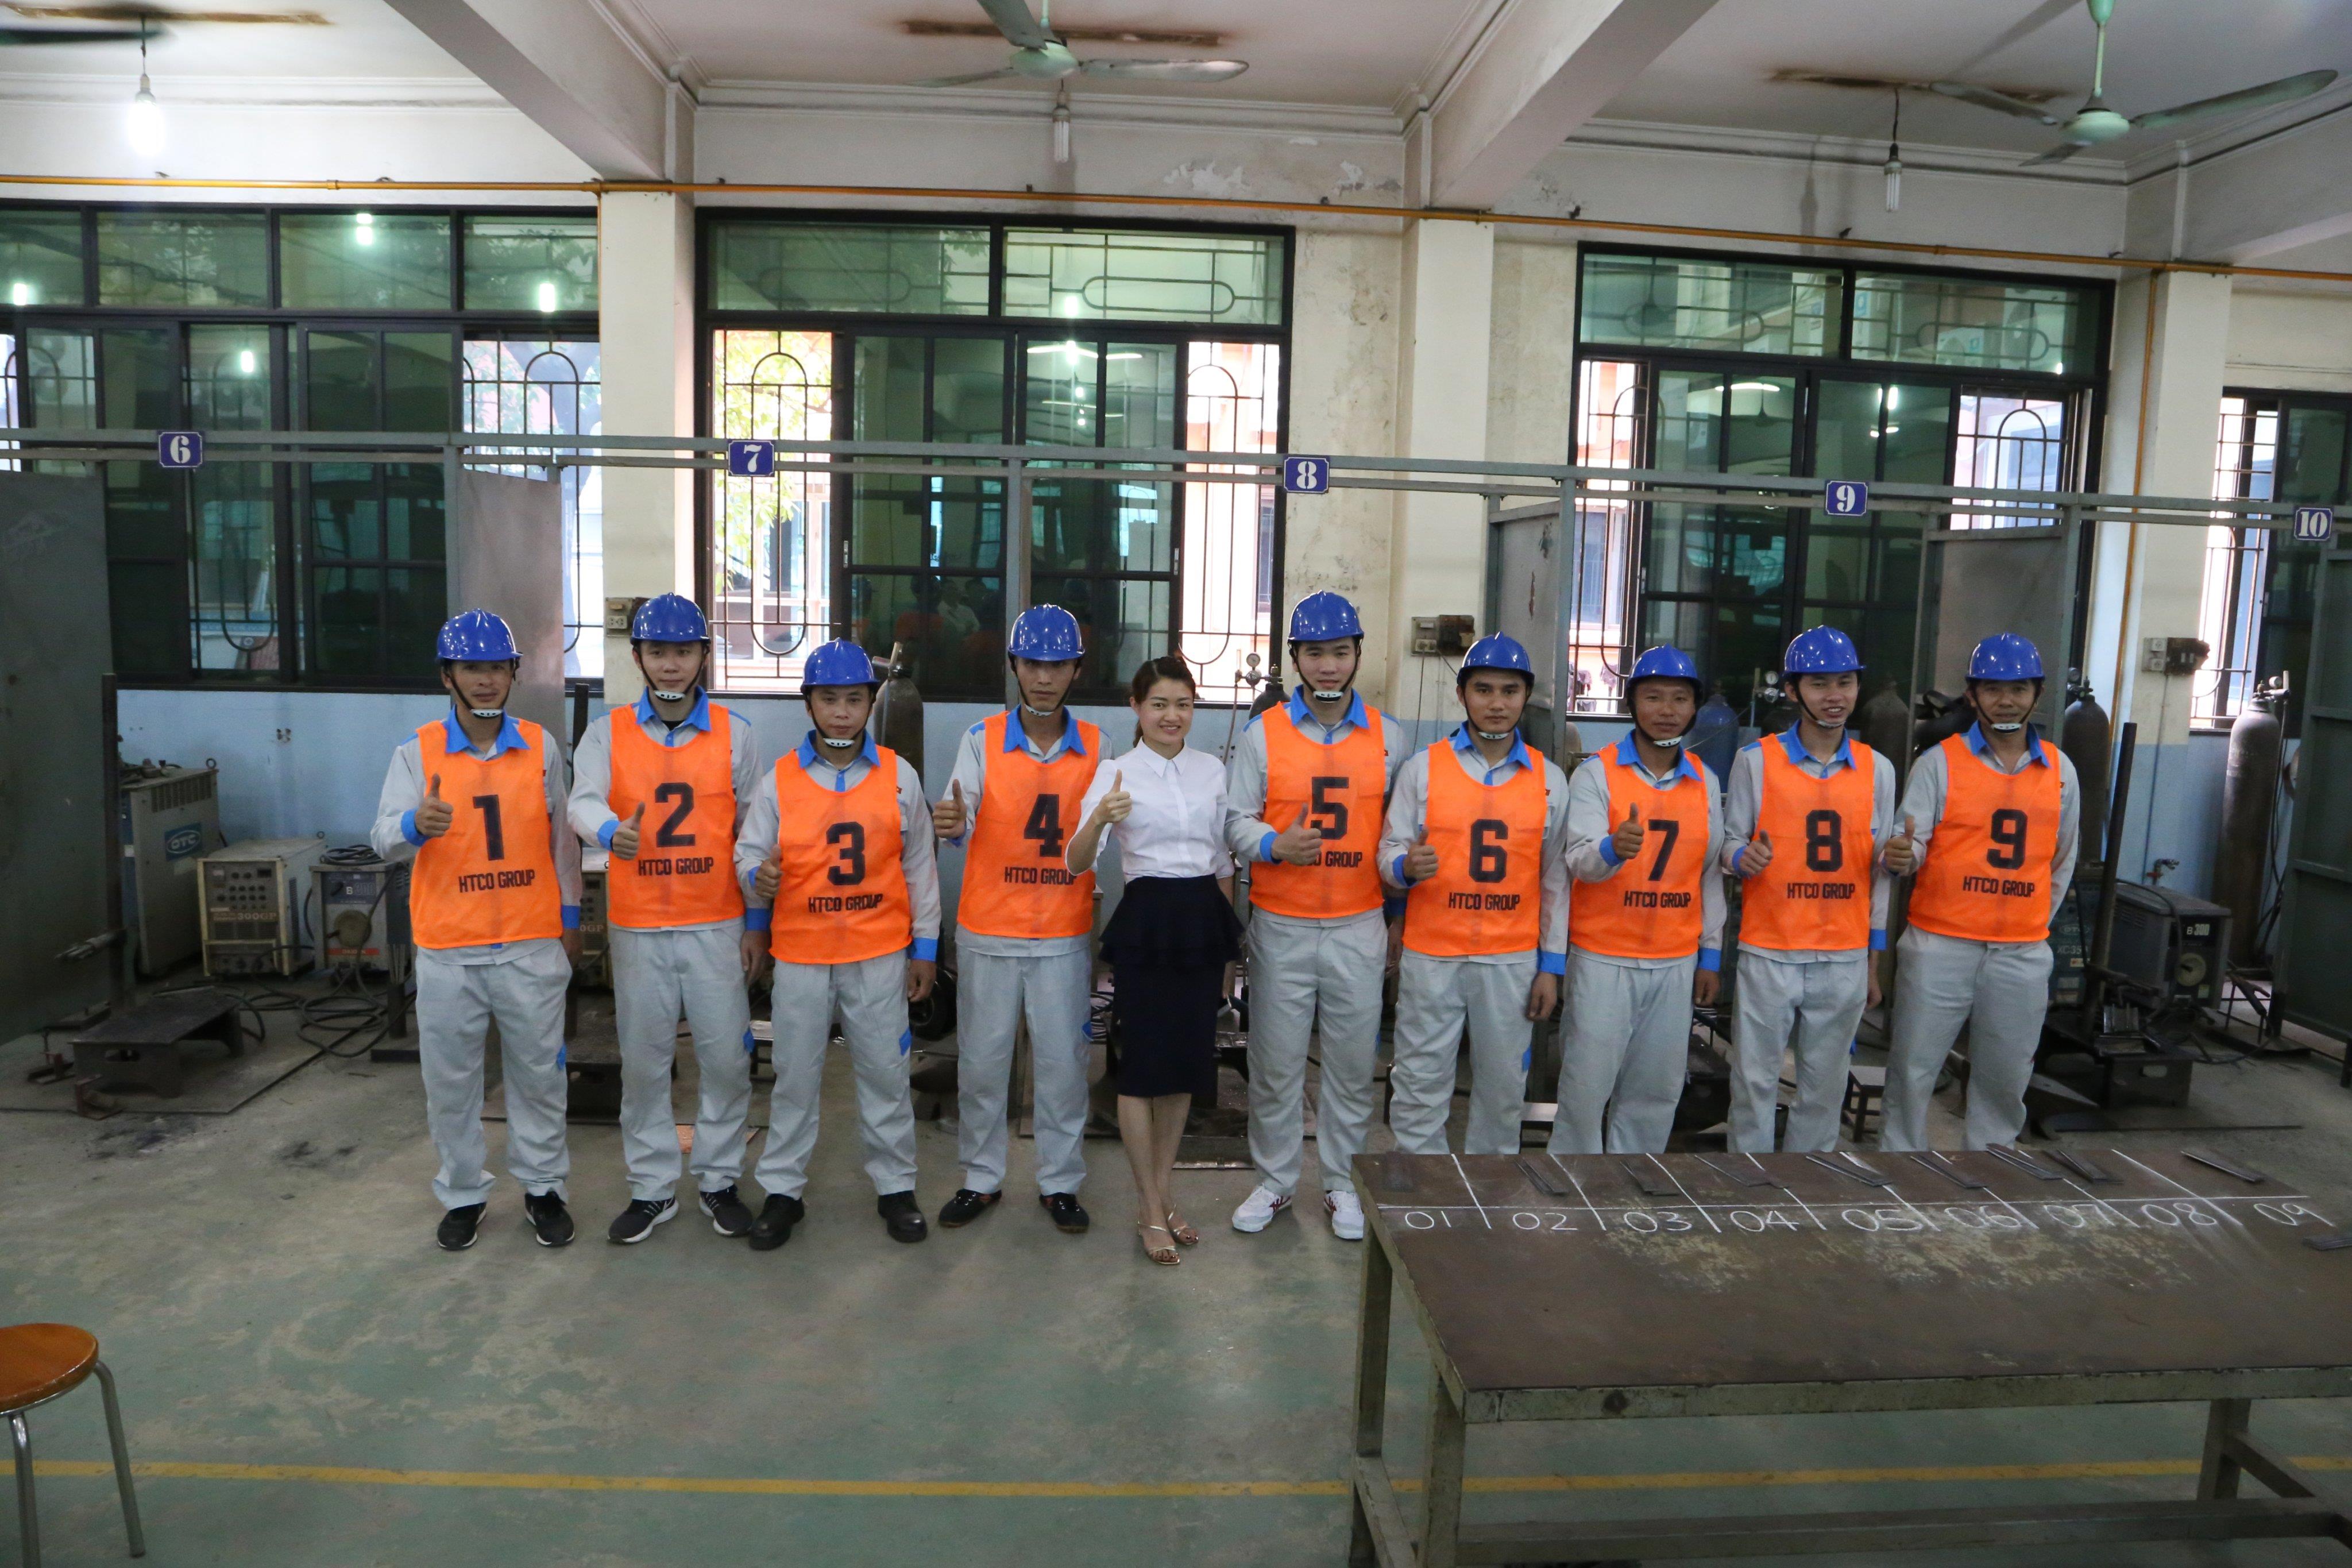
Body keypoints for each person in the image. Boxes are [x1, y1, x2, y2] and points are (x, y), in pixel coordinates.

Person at [370, 610, 582, 1252]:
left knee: (539, 1078)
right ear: (448, 676)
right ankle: (464, 1194)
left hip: (529, 945)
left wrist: (572, 921)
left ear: (513, 674)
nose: (486, 680)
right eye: (471, 668)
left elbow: (562, 844)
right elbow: (381, 838)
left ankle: (544, 1188)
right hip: (449, 950)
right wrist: (414, 825)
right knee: (451, 1085)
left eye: (496, 668)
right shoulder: (416, 753)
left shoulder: (541, 748)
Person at [567, 593, 760, 1245]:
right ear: (638, 658)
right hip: (639, 925)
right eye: (658, 652)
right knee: (645, 1063)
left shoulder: (737, 733)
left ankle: (718, 1180)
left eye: (683, 652)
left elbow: (755, 833)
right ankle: (652, 1188)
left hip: (716, 923)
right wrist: (607, 832)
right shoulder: (608, 732)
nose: (671, 664)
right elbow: (581, 801)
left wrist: (756, 922)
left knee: (726, 1060)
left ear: (703, 656)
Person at [734, 639, 941, 1250]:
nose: (843, 712)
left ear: (871, 703)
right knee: (795, 1078)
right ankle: (783, 1191)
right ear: (809, 704)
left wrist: (926, 950)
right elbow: (748, 854)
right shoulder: (780, 780)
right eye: (829, 699)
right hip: (801, 956)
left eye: (854, 699)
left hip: (878, 955)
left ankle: (896, 1187)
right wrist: (757, 878)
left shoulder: (899, 776)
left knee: (885, 1075)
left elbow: (920, 868)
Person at [1223, 592, 1407, 1242]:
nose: (1328, 666)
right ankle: (1275, 1181)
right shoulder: (1263, 734)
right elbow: (1235, 821)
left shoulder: (1390, 738)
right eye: (1315, 654)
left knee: (1352, 1065)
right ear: (1295, 659)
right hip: (1282, 925)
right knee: (1276, 1064)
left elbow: (1400, 835)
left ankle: (1341, 1184)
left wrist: (1399, 911)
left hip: (1360, 924)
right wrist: (1275, 845)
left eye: (1340, 652)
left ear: (1358, 655)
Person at [930, 604, 1101, 1237]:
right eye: (1032, 664)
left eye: (1058, 665)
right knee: (982, 1063)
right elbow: (962, 809)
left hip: (1062, 933)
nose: (1044, 677)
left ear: (1076, 670)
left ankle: (1060, 1183)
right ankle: (981, 1177)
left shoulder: (1099, 746)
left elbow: (1099, 834)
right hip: (989, 930)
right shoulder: (980, 740)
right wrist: (953, 823)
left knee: (1063, 1066)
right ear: (1014, 666)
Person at [1068, 655, 1240, 1267]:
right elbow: (1075, 861)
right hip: (1148, 921)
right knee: (1142, 1070)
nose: (1172, 716)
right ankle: (1146, 1206)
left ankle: (1165, 1193)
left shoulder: (1212, 771)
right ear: (1137, 708)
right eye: (1160, 704)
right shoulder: (1115, 771)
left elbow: (1221, 862)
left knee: (1185, 1067)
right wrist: (1099, 817)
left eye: (1183, 705)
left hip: (1201, 922)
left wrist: (1227, 949)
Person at [1879, 633, 2080, 1151]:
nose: (2005, 701)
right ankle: (1899, 1165)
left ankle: (1993, 1167)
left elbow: (2061, 861)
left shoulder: (2060, 771)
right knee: (1912, 1069)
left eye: (2017, 689)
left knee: (2005, 1077)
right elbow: (1911, 841)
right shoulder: (1938, 763)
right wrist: (1902, 855)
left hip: (2020, 953)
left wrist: (2027, 922)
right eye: (1992, 689)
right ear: (1972, 696)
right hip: (1939, 946)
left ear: (2037, 694)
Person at [1377, 635, 1570, 1156]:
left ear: (1525, 697)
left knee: (1503, 1089)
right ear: (1461, 694)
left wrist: (1551, 966)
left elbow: (1555, 880)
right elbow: (1388, 849)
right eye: (1483, 690)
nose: (1497, 703)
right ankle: (1421, 1187)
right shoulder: (1422, 769)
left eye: (1510, 691)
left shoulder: (1550, 781)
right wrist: (1404, 867)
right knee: (1419, 1083)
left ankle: (1490, 1191)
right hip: (1432, 955)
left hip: (1511, 960)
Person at [1721, 627, 1895, 1154]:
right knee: (1753, 1079)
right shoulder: (1756, 761)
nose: (1833, 696)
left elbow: (1879, 874)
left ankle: (1812, 1177)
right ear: (1793, 691)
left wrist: (1873, 960)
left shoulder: (1878, 770)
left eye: (1844, 683)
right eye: (1819, 684)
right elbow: (1728, 841)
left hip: (1843, 953)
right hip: (1769, 949)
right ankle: (1748, 1177)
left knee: (1825, 1085)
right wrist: (1740, 858)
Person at [1549, 645, 1725, 1155]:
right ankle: (1575, 1183)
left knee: (1655, 1091)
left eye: (1679, 698)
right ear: (1632, 704)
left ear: (1693, 707)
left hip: (1675, 959)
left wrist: (1710, 954)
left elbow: (1708, 875)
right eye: (1653, 697)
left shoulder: (1705, 781)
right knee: (1585, 1088)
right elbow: (1578, 860)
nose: (1666, 710)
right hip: (1603, 957)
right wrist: (1612, 849)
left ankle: (1634, 1183)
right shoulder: (1596, 774)